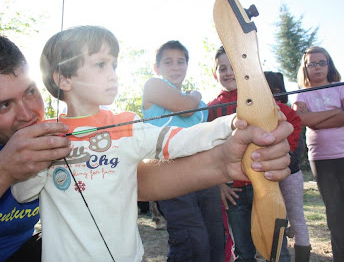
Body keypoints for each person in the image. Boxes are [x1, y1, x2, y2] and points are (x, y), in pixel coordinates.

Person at [0, 31, 292, 261]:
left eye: (30, 92)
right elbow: (23, 191)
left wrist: (231, 129)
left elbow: (157, 153)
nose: (25, 114)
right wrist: (11, 168)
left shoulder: (120, 124)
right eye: (3, 105)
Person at [13, 28, 242, 262]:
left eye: (113, 65)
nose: (113, 74)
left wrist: (232, 122)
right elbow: (22, 193)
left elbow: (179, 140)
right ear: (64, 78)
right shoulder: (45, 136)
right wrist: (38, 157)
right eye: (100, 64)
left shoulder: (126, 125)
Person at [142, 40, 225, 261]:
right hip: (171, 175)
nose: (176, 67)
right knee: (191, 242)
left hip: (204, 175)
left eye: (181, 61)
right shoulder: (154, 85)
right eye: (168, 62)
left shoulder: (200, 105)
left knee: (215, 240)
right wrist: (196, 94)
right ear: (157, 68)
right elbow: (187, 108)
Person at [208, 46, 292, 262]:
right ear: (214, 73)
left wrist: (280, 153)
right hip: (233, 193)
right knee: (244, 250)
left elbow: (292, 121)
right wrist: (219, 185)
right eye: (222, 67)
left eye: (233, 67)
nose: (228, 72)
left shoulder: (261, 98)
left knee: (276, 246)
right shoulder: (210, 109)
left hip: (265, 185)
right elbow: (208, 151)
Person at [292, 46, 344, 261]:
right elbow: (302, 120)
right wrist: (336, 111)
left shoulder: (339, 87)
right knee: (334, 212)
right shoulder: (300, 93)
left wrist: (317, 119)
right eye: (311, 64)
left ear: (328, 65)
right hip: (321, 159)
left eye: (321, 62)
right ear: (305, 68)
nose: (317, 67)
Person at [264, 71, 311, 262]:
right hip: (265, 178)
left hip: (290, 175)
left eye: (274, 91)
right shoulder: (255, 114)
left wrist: (283, 161)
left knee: (296, 218)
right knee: (273, 220)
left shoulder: (288, 113)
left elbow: (296, 146)